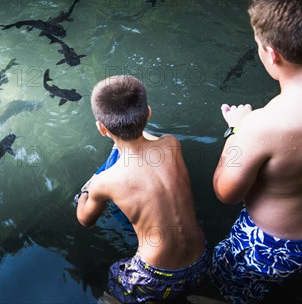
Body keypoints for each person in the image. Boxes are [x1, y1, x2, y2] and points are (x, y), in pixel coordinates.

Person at [76, 75, 207, 303]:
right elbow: (146, 139)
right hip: (202, 259)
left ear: (101, 129)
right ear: (148, 113)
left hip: (157, 276)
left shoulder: (106, 181)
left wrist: (88, 188)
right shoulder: (171, 144)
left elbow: (84, 220)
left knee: (115, 275)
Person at [211, 0, 302, 303]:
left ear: (272, 54)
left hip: (271, 246)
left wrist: (236, 131)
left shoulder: (262, 126)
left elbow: (226, 192)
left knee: (229, 291)